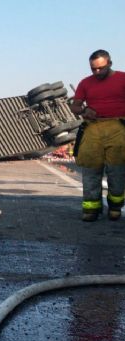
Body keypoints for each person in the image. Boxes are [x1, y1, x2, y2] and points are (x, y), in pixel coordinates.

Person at [70, 49, 125, 222]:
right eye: (93, 69)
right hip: (93, 128)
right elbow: (75, 106)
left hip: (118, 126)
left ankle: (115, 207)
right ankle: (91, 208)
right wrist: (85, 110)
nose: (97, 72)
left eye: (101, 68)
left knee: (117, 171)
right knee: (90, 169)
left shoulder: (123, 79)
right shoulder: (85, 83)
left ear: (109, 63)